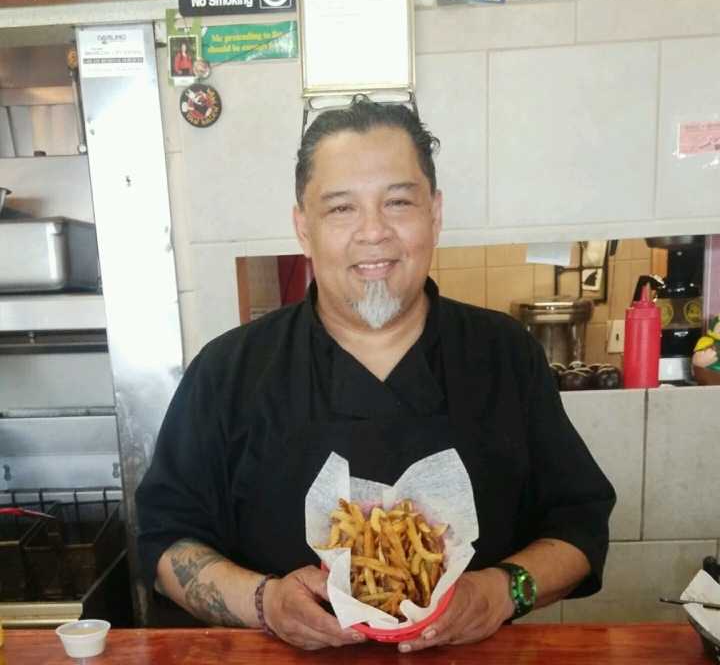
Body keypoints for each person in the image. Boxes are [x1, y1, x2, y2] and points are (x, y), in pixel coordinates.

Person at [136, 97, 615, 653]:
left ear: (434, 215)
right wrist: (262, 601)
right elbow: (164, 540)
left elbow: (580, 526)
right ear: (302, 226)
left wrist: (503, 591)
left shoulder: (505, 354)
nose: (373, 233)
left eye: (398, 202)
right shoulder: (229, 371)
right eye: (341, 209)